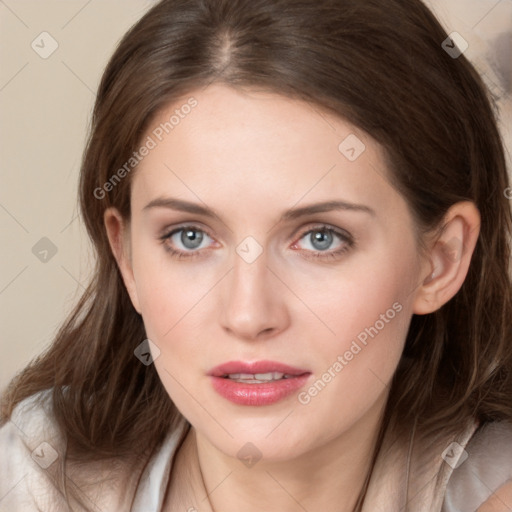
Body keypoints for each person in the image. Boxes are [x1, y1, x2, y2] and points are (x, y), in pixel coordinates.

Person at [1, 0, 511, 510]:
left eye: (320, 238)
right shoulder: (34, 481)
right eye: (190, 237)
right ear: (127, 257)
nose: (248, 315)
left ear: (439, 260)